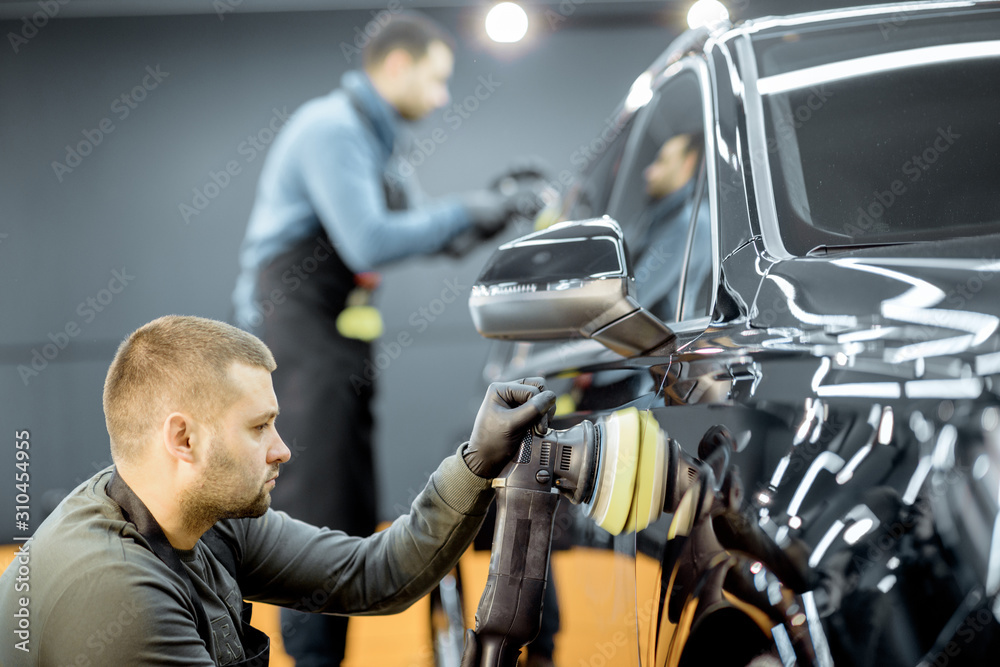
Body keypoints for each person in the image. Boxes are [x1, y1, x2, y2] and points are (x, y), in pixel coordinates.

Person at [229, 13, 530, 663]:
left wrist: (496, 207)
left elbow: (427, 229)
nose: (445, 95)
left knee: (351, 505)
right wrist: (465, 211)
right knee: (316, 507)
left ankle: (326, 652)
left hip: (335, 342)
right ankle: (311, 657)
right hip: (295, 334)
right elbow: (368, 238)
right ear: (397, 66)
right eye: (438, 79)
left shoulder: (378, 144)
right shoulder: (331, 129)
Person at [0, 315, 556, 666]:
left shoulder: (207, 516)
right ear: (184, 438)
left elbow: (376, 573)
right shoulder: (117, 597)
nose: (282, 449)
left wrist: (478, 460)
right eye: (258, 427)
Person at [632, 132, 712, 322]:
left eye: (662, 161)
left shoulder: (688, 222)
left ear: (688, 163)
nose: (648, 172)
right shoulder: (660, 216)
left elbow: (633, 301)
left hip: (659, 346)